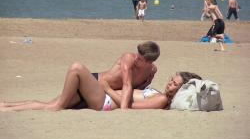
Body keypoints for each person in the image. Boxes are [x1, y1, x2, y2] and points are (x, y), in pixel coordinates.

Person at [0, 41, 160, 111]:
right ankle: (6, 107)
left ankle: (6, 105)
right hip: (93, 83)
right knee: (53, 105)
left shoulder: (151, 71)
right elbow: (126, 84)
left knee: (49, 104)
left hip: (102, 94)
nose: (136, 57)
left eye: (140, 58)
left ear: (149, 62)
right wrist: (124, 109)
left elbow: (135, 89)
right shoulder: (128, 58)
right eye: (137, 54)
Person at [0, 72, 202, 111]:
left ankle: (7, 107)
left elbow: (130, 106)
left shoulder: (160, 101)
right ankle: (7, 105)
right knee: (47, 103)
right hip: (103, 96)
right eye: (171, 80)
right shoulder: (158, 93)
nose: (169, 84)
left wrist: (106, 88)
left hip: (105, 102)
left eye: (174, 84)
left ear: (181, 89)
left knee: (77, 68)